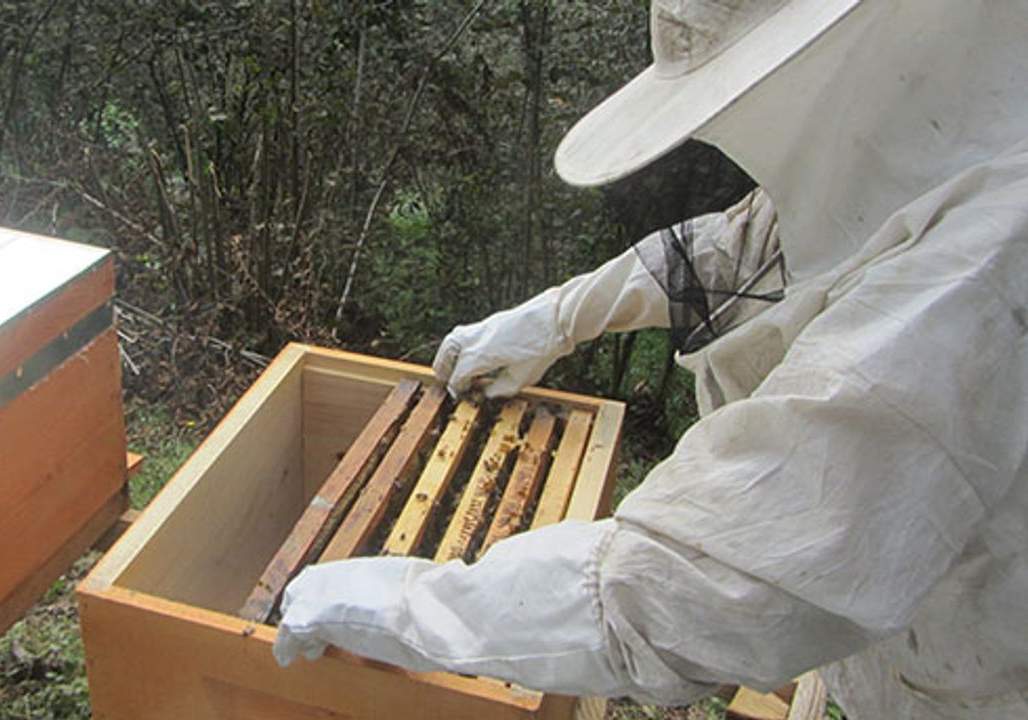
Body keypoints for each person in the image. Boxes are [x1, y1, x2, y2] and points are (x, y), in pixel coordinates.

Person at [274, 1, 1028, 717]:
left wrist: (411, 607)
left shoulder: (979, 274)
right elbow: (745, 249)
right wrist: (557, 318)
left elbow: (704, 588)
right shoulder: (932, 137)